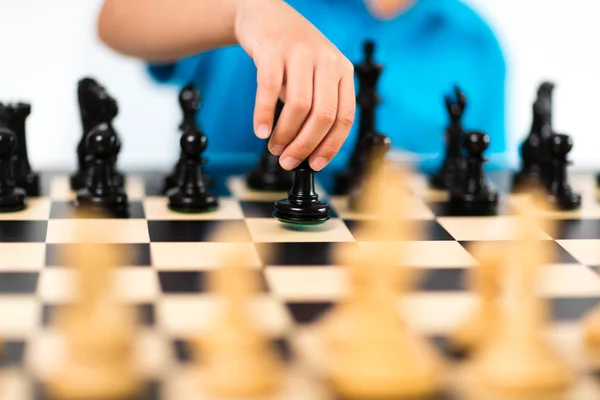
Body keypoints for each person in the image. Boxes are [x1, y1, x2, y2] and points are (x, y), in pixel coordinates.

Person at [97, 0, 506, 172]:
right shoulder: (261, 4)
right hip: (229, 254)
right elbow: (118, 18)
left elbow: (479, 175)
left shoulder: (473, 42)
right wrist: (244, 11)